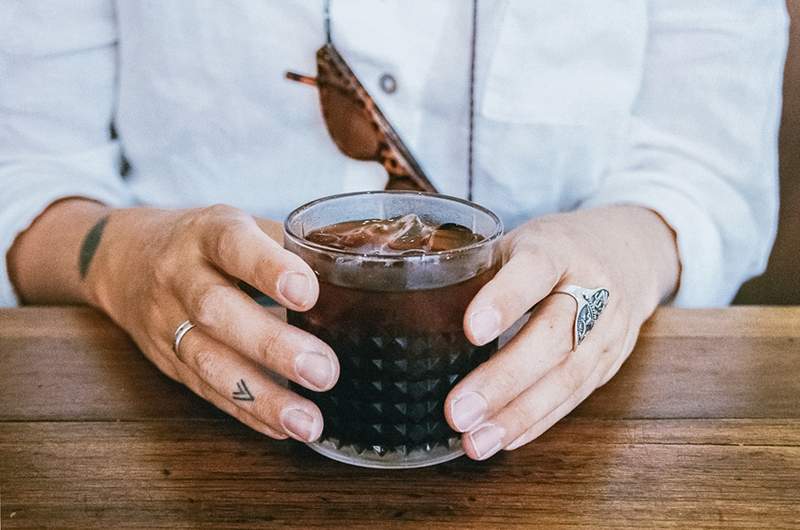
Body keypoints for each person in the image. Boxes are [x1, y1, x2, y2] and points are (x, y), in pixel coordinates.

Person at [1, 1, 788, 461]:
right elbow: (25, 170)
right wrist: (118, 259)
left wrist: (624, 252)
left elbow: (703, 168)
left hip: (571, 442)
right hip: (164, 433)